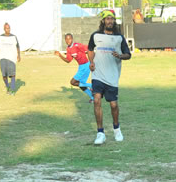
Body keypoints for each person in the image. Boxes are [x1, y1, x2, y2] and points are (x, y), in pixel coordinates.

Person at [88, 10, 131, 145]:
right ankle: (100, 133)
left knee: (113, 105)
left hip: (112, 76)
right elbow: (90, 49)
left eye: (112, 19)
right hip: (98, 75)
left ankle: (117, 129)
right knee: (96, 100)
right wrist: (91, 62)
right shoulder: (95, 35)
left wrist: (120, 56)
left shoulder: (119, 38)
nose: (110, 21)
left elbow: (128, 55)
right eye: (107, 19)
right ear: (103, 21)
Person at [54, 33, 94, 103]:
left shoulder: (77, 45)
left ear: (72, 39)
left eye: (69, 39)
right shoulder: (68, 49)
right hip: (81, 67)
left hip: (86, 66)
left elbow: (89, 49)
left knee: (72, 82)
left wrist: (91, 60)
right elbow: (68, 60)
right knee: (81, 85)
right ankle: (92, 97)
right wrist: (60, 55)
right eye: (66, 39)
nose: (68, 40)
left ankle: (93, 86)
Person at [0, 23, 21, 94]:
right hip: (3, 58)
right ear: (4, 29)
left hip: (12, 58)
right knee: (4, 76)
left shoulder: (14, 37)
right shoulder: (0, 37)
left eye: (9, 28)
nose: (8, 29)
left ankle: (13, 90)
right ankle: (8, 86)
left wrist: (19, 55)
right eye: (7, 28)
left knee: (13, 74)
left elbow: (18, 46)